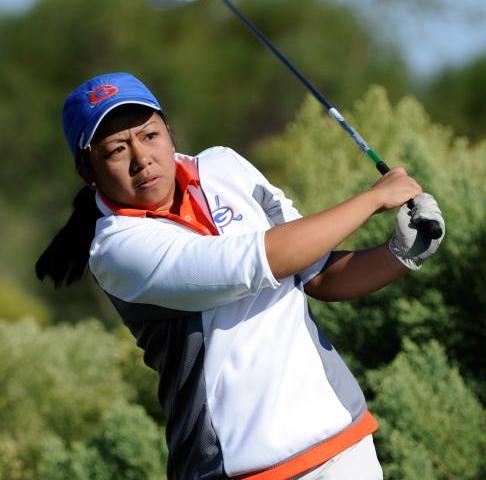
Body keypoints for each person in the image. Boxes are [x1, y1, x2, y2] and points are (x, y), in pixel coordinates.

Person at [36, 72, 445, 480]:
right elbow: (254, 261)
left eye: (149, 136)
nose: (142, 159)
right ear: (87, 172)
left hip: (343, 441)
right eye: (116, 150)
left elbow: (317, 274)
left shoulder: (225, 167)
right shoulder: (116, 250)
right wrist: (373, 199)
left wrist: (400, 254)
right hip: (239, 468)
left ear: (169, 132)